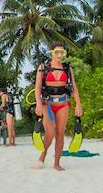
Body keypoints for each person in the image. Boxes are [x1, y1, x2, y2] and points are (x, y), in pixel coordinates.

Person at [34, 42, 82, 171]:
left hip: (63, 104)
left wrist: (78, 105)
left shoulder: (67, 68)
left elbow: (74, 88)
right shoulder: (43, 68)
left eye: (62, 52)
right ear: (51, 53)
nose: (60, 55)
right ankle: (42, 157)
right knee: (50, 132)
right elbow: (37, 88)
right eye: (57, 52)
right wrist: (38, 104)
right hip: (47, 105)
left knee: (60, 133)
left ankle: (56, 163)